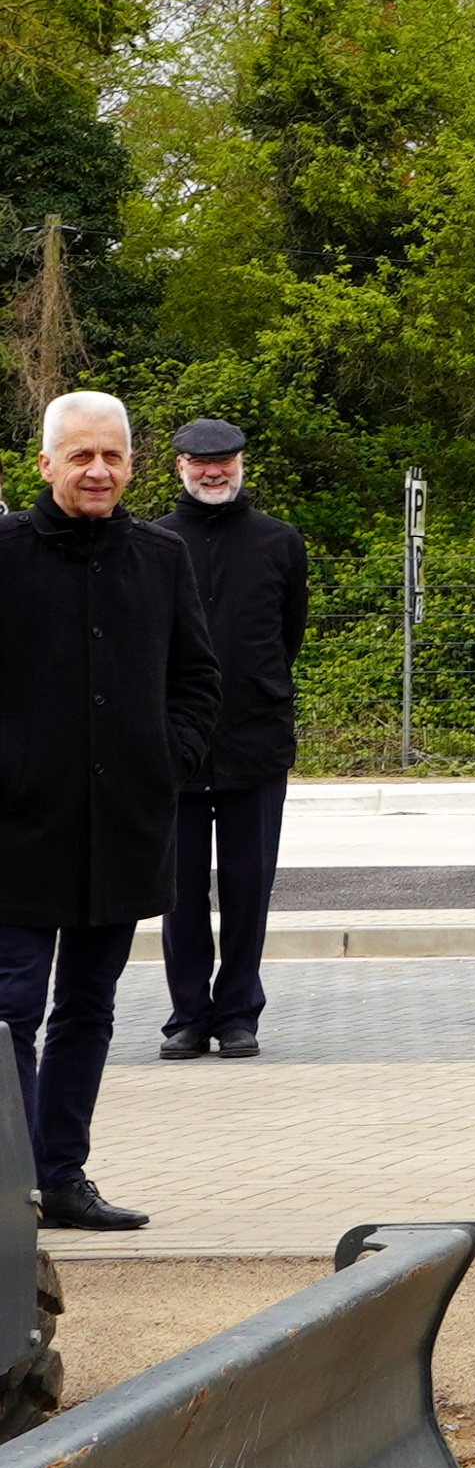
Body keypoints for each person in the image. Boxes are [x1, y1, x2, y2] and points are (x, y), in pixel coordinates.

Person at [1, 393, 214, 1231]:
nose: (98, 471)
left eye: (113, 457)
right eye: (81, 456)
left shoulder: (161, 557)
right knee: (12, 1007)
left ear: (131, 465)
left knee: (89, 1007)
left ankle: (63, 1175)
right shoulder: (6, 555)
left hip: (123, 827)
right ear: (46, 463)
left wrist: (168, 757)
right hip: (18, 828)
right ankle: (11, 1182)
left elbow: (197, 678)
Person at [154, 417, 307, 1065]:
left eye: (224, 460)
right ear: (180, 467)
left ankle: (239, 1011)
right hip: (176, 748)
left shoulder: (279, 541)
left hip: (256, 742)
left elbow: (289, 631)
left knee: (249, 886)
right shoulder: (154, 542)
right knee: (180, 891)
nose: (212, 471)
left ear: (243, 462)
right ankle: (188, 1015)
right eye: (199, 461)